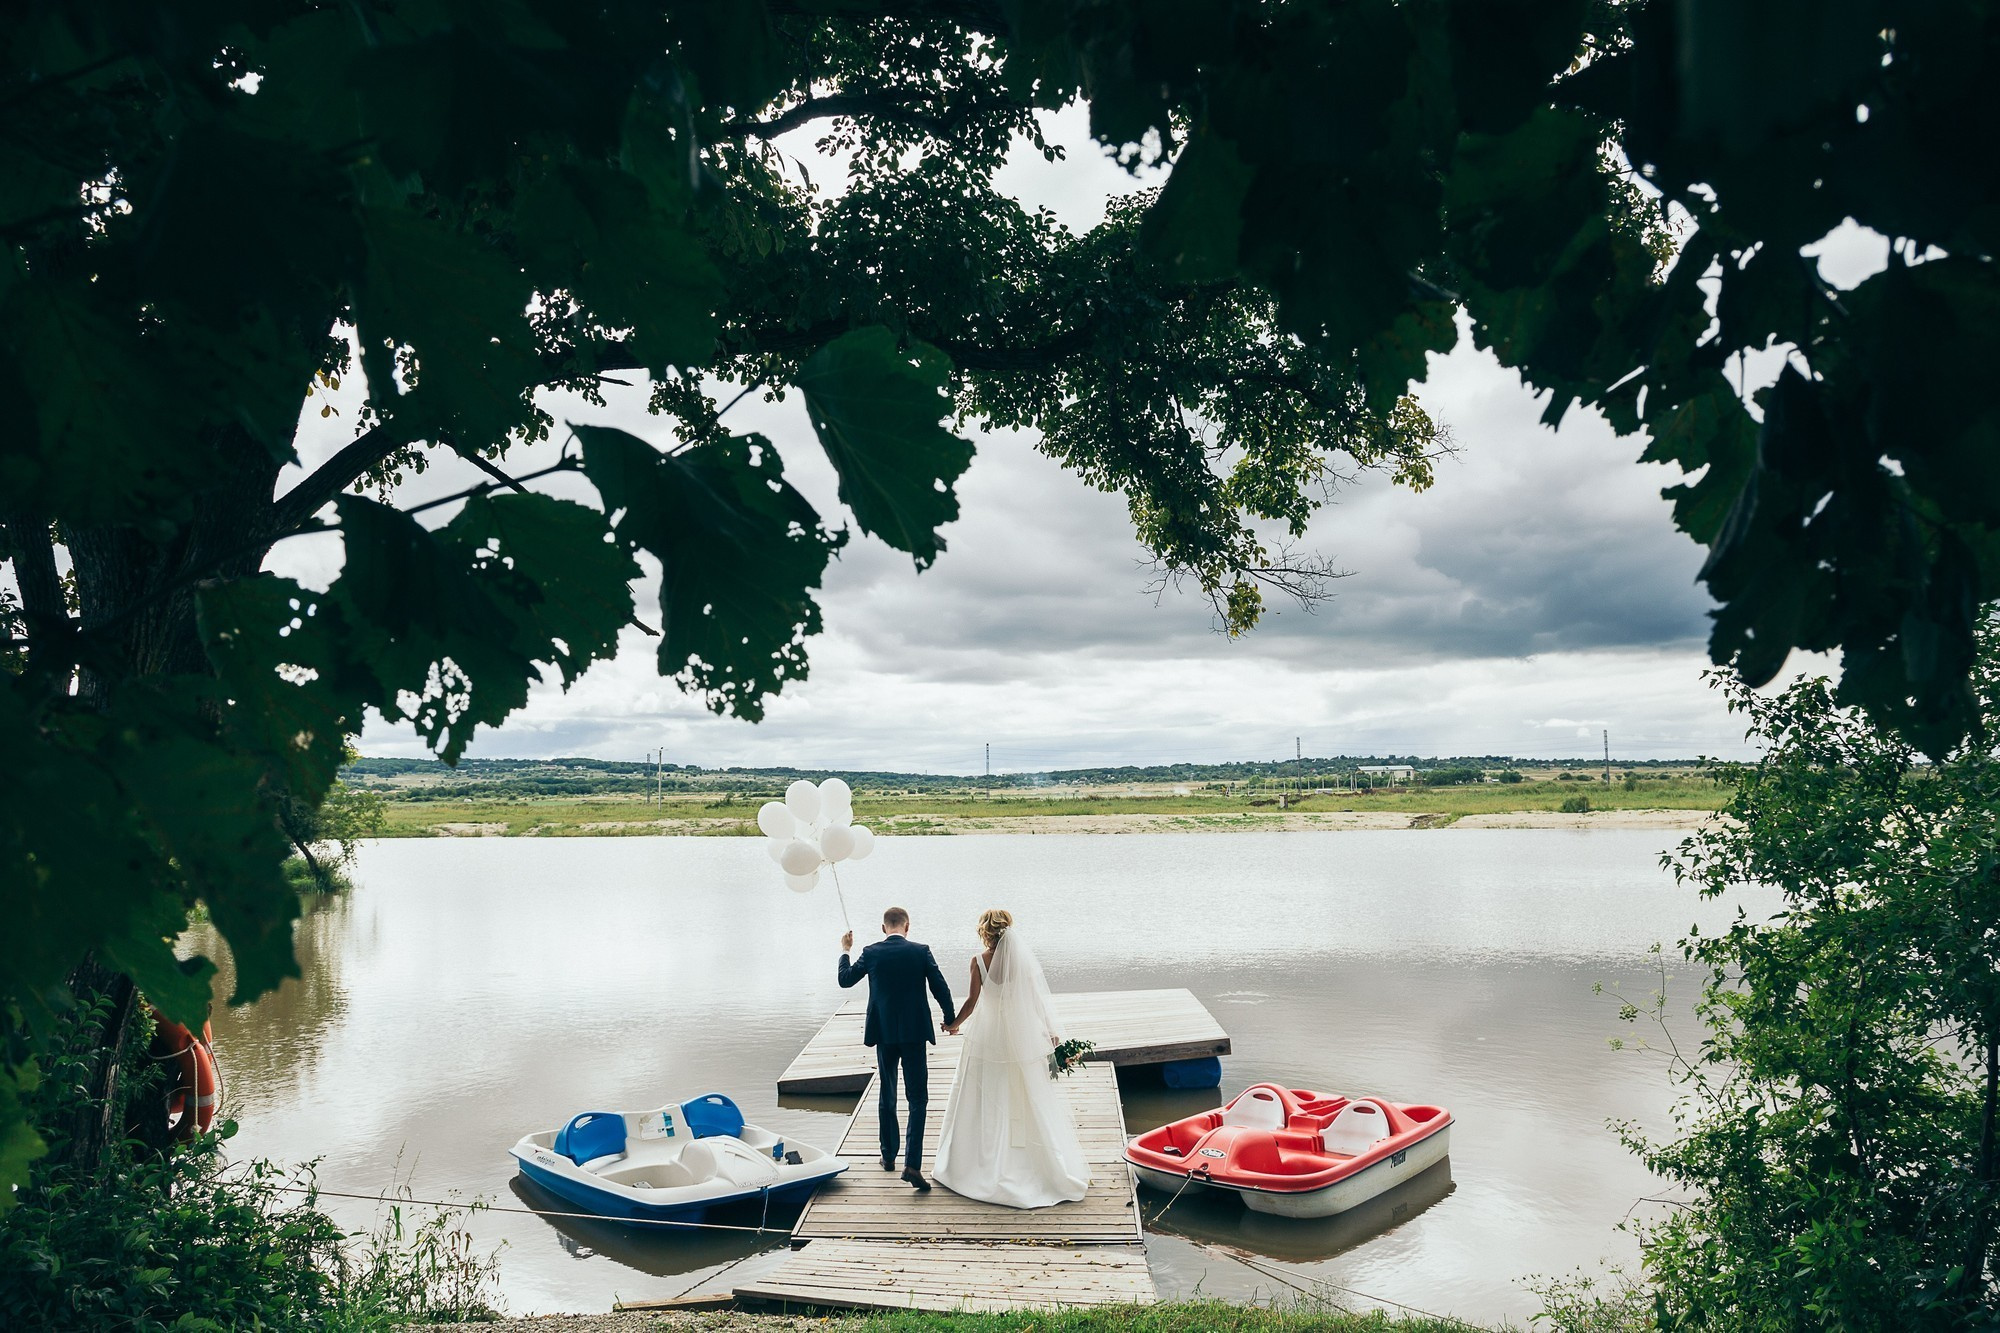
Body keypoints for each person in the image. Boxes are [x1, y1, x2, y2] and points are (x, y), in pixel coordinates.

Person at [932, 909, 1090, 1208]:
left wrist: (954, 1025)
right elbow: (1035, 999)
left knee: (984, 1094)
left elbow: (972, 1001)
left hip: (988, 1037)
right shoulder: (1021, 962)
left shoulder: (978, 961)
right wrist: (1050, 1031)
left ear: (985, 932)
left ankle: (977, 1163)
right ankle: (1032, 1162)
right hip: (1021, 1036)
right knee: (1023, 1094)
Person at [838, 907, 957, 1191]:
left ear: (883, 928)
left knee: (887, 1091)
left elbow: (845, 980)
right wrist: (950, 1018)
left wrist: (845, 950)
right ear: (907, 926)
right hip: (914, 1032)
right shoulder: (920, 951)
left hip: (884, 1032)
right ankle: (912, 1164)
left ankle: (888, 1156)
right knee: (918, 1099)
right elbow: (940, 987)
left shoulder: (870, 952)